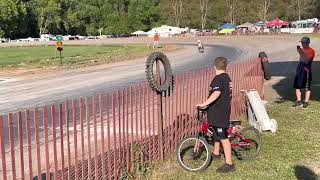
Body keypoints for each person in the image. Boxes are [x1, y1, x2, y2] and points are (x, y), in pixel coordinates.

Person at [196, 57, 234, 173]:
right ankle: (216, 152)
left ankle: (229, 164)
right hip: (220, 110)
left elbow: (216, 93)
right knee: (216, 132)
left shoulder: (218, 79)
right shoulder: (227, 77)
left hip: (219, 112)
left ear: (214, 67)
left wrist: (205, 103)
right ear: (225, 66)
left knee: (223, 137)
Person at [292, 37, 315, 109]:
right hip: (300, 69)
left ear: (307, 43)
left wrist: (301, 53)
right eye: (301, 42)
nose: (302, 44)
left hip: (306, 70)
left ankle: (306, 102)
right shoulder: (302, 49)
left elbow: (307, 60)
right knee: (297, 86)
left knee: (307, 87)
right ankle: (299, 101)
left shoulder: (311, 51)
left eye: (303, 43)